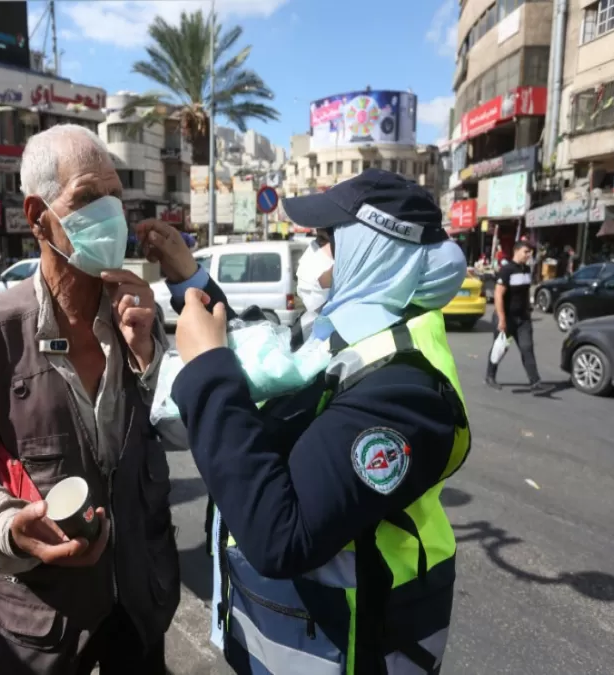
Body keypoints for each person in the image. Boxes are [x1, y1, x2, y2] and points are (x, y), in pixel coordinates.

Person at [142, 169, 473, 674]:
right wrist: (192, 280)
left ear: (374, 253)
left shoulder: (404, 392)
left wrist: (207, 369)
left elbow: (280, 537)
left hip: (349, 650)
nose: (314, 256)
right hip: (293, 640)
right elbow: (274, 362)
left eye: (326, 241)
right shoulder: (356, 328)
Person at [0, 124, 182, 675]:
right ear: (37, 216)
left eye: (116, 197)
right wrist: (9, 526)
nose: (111, 214)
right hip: (42, 625)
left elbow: (178, 430)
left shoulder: (140, 316)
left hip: (140, 605)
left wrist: (148, 356)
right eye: (89, 198)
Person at [485, 240, 551, 394]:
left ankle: (535, 382)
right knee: (501, 348)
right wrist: (501, 319)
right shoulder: (507, 270)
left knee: (527, 348)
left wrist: (528, 308)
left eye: (530, 253)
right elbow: (498, 295)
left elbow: (525, 292)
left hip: (523, 320)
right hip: (507, 319)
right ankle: (490, 376)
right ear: (517, 251)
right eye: (526, 252)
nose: (528, 255)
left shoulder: (526, 269)